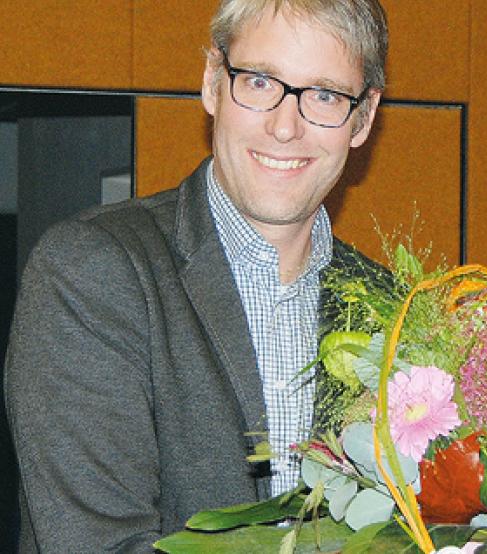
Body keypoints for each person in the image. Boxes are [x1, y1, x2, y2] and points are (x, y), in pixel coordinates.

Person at [3, 0, 387, 551]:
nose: (285, 126)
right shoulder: (93, 271)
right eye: (259, 82)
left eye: (324, 95)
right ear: (212, 83)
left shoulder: (394, 311)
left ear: (364, 117)